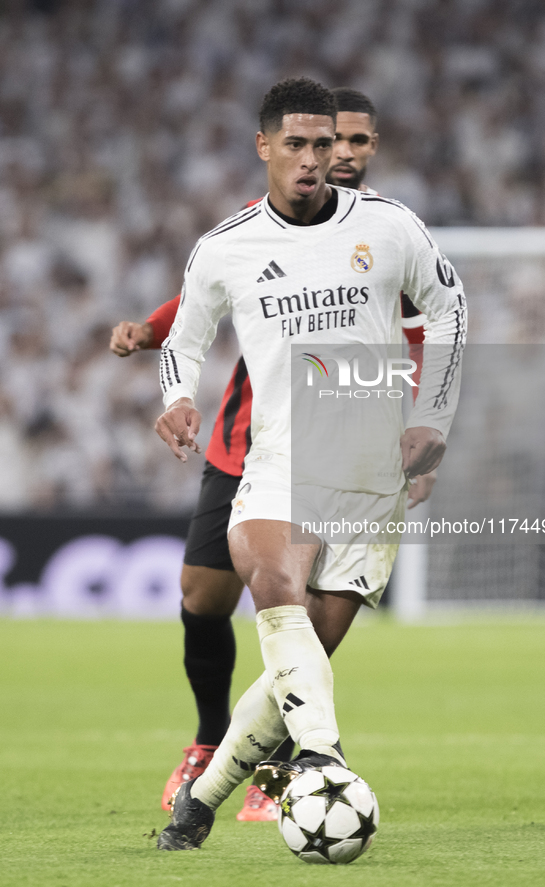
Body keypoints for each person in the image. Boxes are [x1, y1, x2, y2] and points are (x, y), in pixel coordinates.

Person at [152, 76, 466, 851]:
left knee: (301, 661)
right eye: (294, 144)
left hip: (366, 473)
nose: (311, 159)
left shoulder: (390, 228)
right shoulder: (226, 246)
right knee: (272, 583)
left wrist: (433, 418)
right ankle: (321, 757)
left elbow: (451, 308)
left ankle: (200, 803)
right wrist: (176, 397)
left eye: (324, 144)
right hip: (277, 457)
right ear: (264, 147)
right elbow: (184, 339)